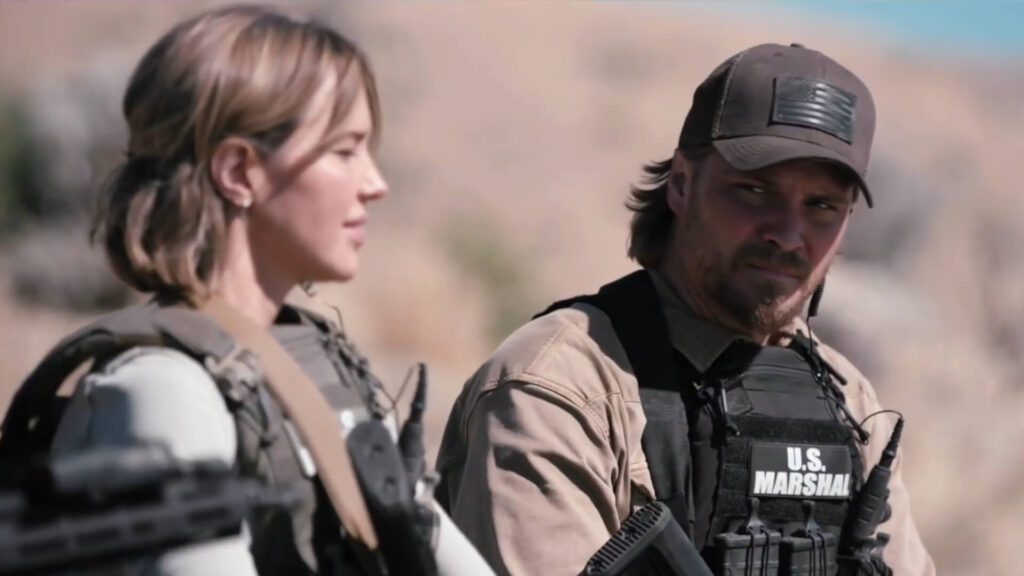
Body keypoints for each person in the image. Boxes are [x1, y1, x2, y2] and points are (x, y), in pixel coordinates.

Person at [0, 6, 492, 576]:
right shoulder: (169, 392)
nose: (374, 184)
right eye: (344, 151)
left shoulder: (321, 367)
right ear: (238, 171)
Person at [437, 43, 936, 576]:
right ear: (681, 185)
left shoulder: (850, 402)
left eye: (821, 206)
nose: (789, 235)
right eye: (754, 190)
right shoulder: (559, 388)